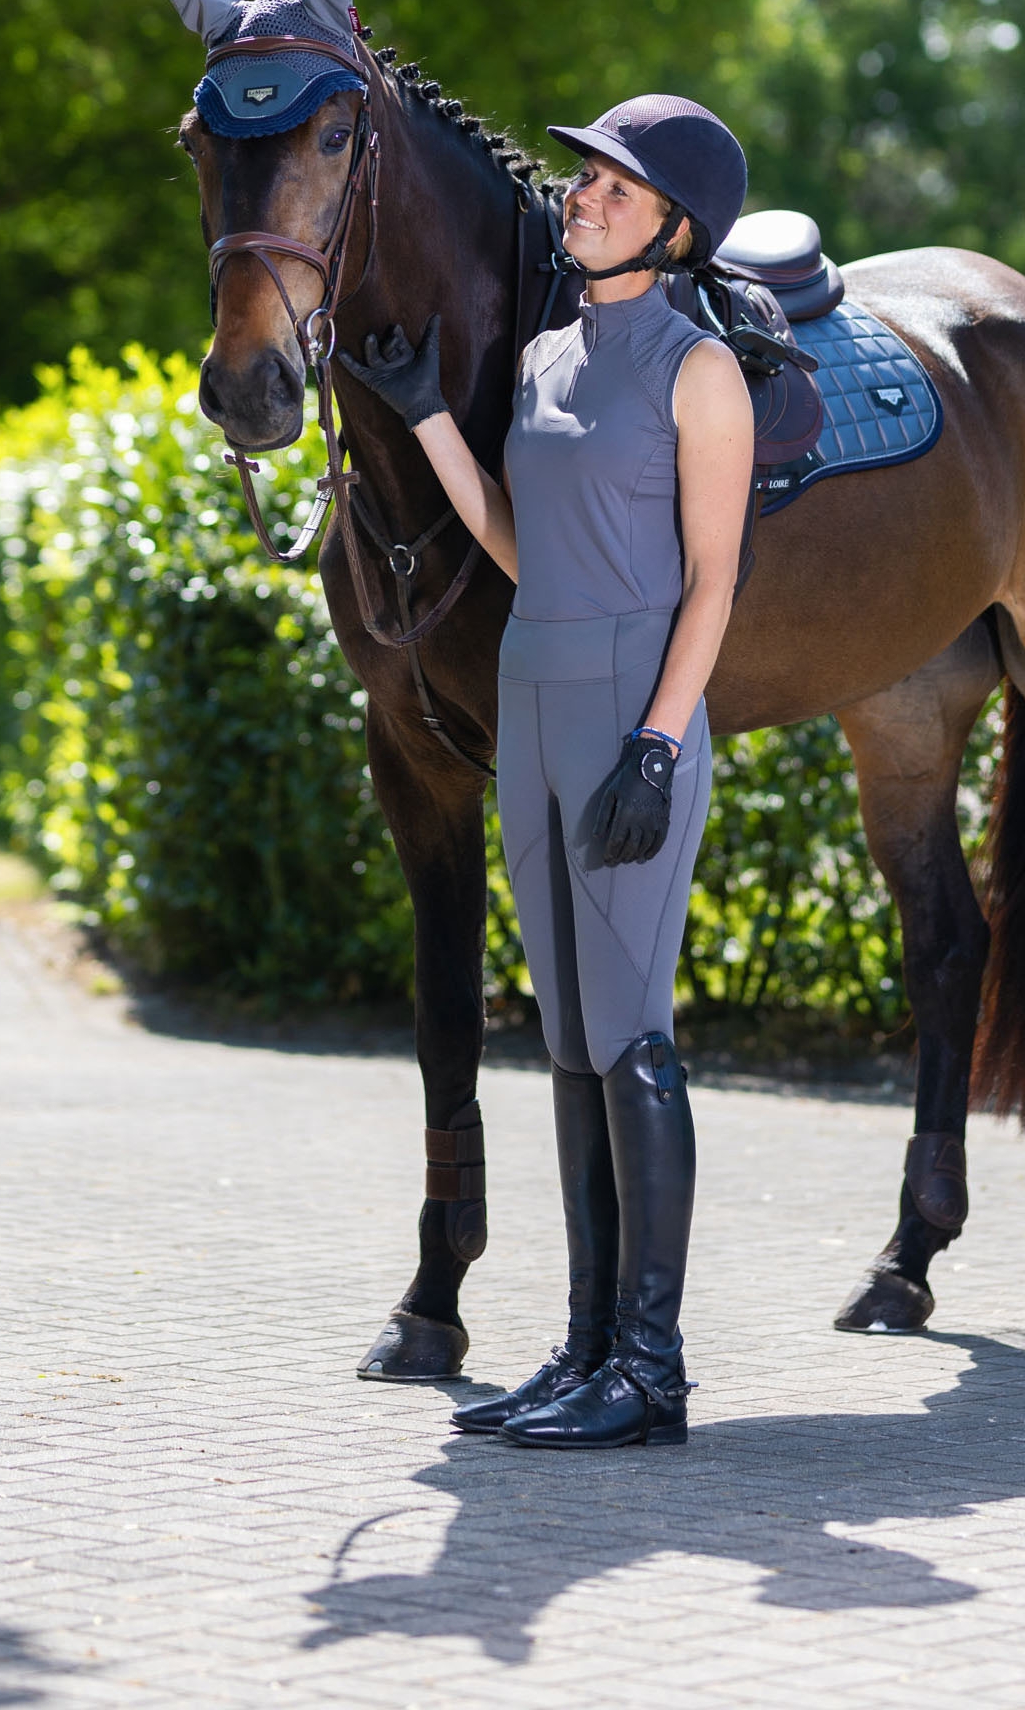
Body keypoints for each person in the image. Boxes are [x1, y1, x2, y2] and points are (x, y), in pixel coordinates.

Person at [338, 95, 753, 1449]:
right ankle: (581, 1353)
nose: (579, 198)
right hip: (531, 688)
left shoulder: (698, 372)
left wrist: (656, 736)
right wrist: (426, 423)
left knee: (633, 1033)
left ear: (675, 230)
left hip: (633, 704)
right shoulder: (544, 356)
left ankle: (654, 1370)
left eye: (614, 191)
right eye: (582, 181)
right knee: (570, 1037)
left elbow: (714, 582)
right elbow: (524, 544)